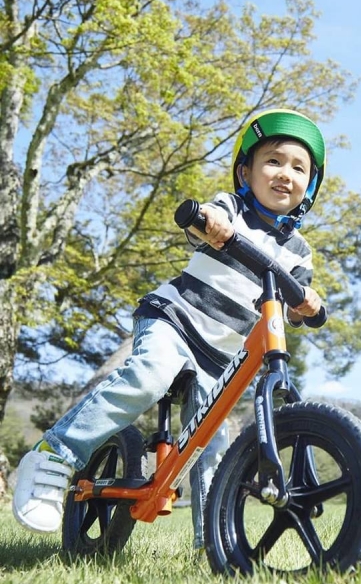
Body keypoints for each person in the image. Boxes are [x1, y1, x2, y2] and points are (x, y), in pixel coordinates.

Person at [12, 108, 325, 549]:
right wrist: (209, 223)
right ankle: (54, 456)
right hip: (175, 320)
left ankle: (212, 541)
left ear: (308, 186)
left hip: (222, 356)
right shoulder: (232, 208)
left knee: (211, 444)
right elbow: (205, 223)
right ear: (245, 172)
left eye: (298, 168)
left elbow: (296, 304)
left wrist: (306, 305)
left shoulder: (299, 251)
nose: (284, 174)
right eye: (272, 161)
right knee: (148, 376)